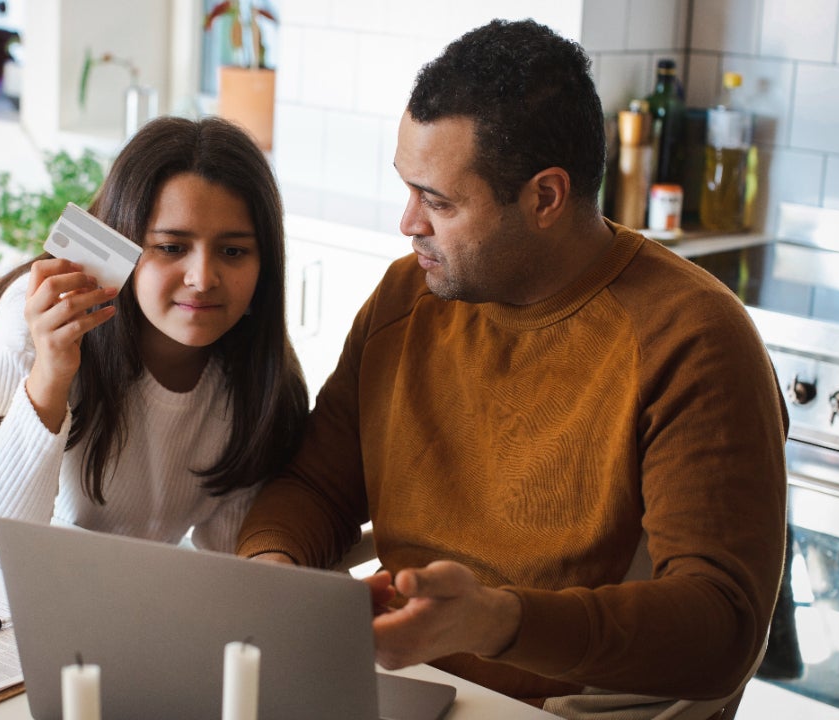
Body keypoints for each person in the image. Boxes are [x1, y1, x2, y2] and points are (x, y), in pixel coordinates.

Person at [236, 19, 787, 719]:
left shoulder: (694, 339)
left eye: (438, 202)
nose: (408, 223)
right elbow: (317, 483)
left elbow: (721, 629)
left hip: (564, 706)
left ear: (545, 197)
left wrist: (494, 621)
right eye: (409, 189)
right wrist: (273, 574)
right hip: (405, 686)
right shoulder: (408, 300)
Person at [0, 116, 307, 566]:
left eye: (233, 251)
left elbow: (231, 553)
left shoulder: (259, 372)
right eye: (171, 247)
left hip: (140, 594)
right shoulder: (37, 320)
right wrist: (51, 374)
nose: (202, 279)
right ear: (123, 245)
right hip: (20, 591)